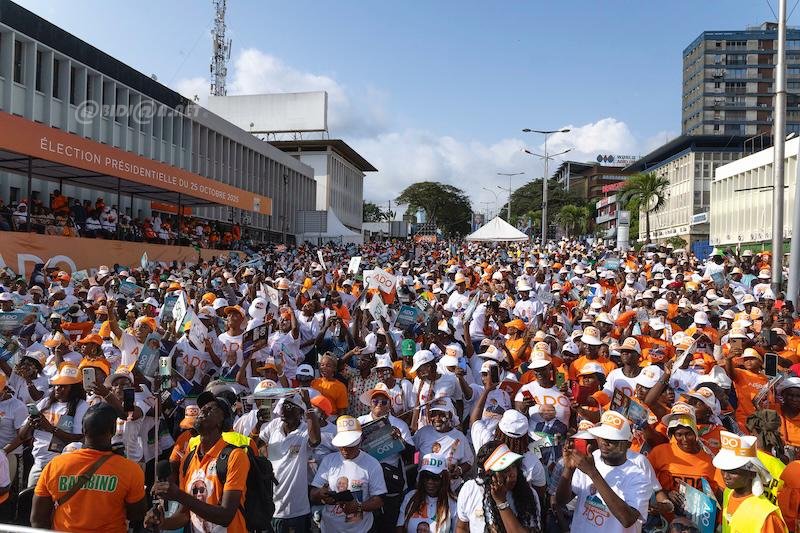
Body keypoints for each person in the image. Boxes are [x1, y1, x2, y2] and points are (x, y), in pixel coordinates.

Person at [30, 403, 147, 532]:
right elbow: (137, 515)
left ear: (83, 430)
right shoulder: (130, 470)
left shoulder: (55, 465)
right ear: (113, 430)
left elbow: (38, 518)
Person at [145, 395, 250, 533]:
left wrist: (178, 495)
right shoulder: (188, 459)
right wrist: (162, 523)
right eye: (202, 408)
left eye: (211, 408)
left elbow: (225, 516)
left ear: (221, 421)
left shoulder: (235, 456)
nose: (203, 410)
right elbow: (184, 514)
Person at [556, 410, 660, 533]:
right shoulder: (591, 459)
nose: (605, 443)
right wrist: (568, 470)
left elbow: (627, 519)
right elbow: (561, 501)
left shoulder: (639, 477)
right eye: (602, 437)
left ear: (628, 444)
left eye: (612, 439)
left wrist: (592, 473)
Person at [310, 415, 387, 533]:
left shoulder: (372, 464)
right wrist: (320, 494)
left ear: (359, 442)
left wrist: (359, 507)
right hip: (329, 528)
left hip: (361, 530)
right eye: (342, 446)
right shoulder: (329, 460)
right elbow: (313, 493)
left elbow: (379, 500)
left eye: (349, 445)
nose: (345, 449)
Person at [258, 392, 320, 533]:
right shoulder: (274, 425)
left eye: (291, 406)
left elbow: (316, 440)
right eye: (283, 405)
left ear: (301, 412)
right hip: (272, 507)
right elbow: (256, 444)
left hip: (296, 510)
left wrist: (308, 404)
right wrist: (258, 425)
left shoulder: (305, 430)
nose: (285, 409)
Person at [456, 441, 541, 532]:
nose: (512, 474)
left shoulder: (528, 494)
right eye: (505, 470)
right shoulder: (470, 489)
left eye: (513, 466)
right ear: (489, 473)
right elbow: (462, 527)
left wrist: (501, 502)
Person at [712, 431, 788, 533]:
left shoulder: (766, 515)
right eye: (724, 470)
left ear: (752, 473)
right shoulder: (728, 494)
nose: (726, 476)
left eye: (734, 472)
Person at [397, 453, 457, 533]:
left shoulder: (452, 502)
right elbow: (400, 527)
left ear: (444, 479)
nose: (430, 482)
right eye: (426, 476)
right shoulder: (410, 497)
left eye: (435, 477)